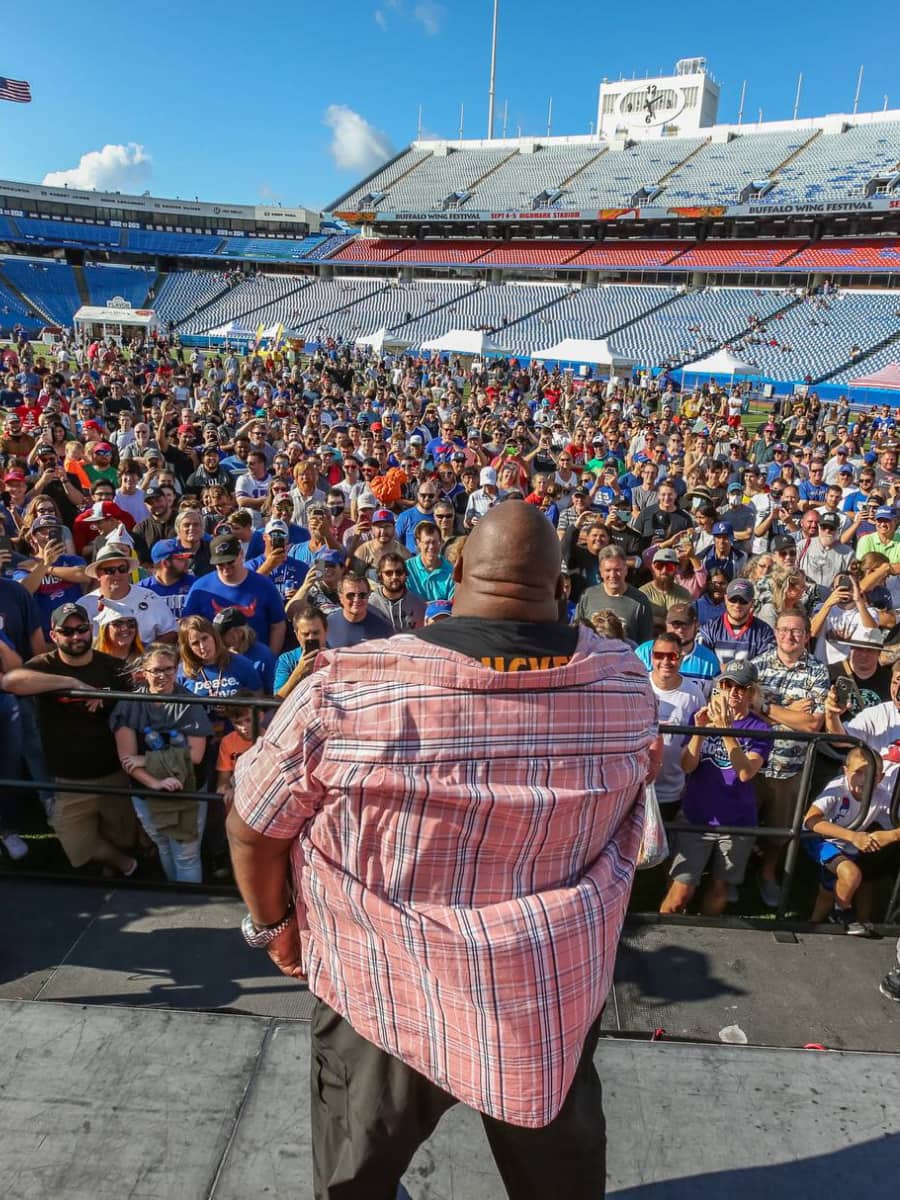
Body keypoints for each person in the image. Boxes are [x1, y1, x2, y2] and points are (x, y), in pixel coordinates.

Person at [227, 502, 656, 1198]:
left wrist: (277, 931)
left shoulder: (347, 687)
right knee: (560, 1185)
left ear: (452, 575)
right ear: (561, 586)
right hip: (542, 991)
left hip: (377, 988)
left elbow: (251, 827)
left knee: (354, 1182)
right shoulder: (624, 686)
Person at [1, 601, 138, 876]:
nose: (76, 636)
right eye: (67, 631)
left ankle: (115, 868)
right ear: (54, 635)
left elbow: (141, 696)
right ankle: (123, 864)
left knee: (127, 838)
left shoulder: (111, 666)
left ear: (91, 630)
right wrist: (72, 683)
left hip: (114, 774)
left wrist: (105, 695)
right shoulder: (44, 665)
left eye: (82, 629)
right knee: (77, 848)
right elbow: (11, 681)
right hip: (67, 781)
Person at [660, 660, 771, 916]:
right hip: (697, 816)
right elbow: (687, 766)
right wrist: (699, 731)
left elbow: (745, 772)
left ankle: (709, 941)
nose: (733, 692)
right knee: (679, 894)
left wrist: (725, 731)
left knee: (720, 889)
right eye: (727, 685)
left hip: (737, 822)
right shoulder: (700, 716)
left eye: (741, 687)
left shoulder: (761, 728)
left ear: (751, 692)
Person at [110, 643, 213, 884]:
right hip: (145, 791)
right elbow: (127, 759)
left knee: (185, 854)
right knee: (164, 846)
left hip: (186, 787)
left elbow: (195, 756)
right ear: (143, 672)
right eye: (156, 670)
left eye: (169, 669)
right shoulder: (128, 703)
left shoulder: (189, 702)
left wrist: (146, 759)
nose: (162, 676)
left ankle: (190, 909)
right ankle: (177, 901)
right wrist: (155, 783)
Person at [751, 607, 830, 908]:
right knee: (743, 827)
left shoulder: (818, 671)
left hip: (791, 768)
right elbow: (744, 712)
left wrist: (767, 708)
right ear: (775, 632)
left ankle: (767, 874)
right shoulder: (756, 667)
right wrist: (791, 711)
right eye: (784, 629)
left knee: (780, 833)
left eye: (796, 630)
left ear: (807, 635)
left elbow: (813, 724)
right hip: (753, 763)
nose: (789, 636)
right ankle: (731, 877)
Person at [803, 748, 900, 935]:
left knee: (827, 891)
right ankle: (842, 911)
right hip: (820, 840)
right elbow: (811, 820)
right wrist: (853, 836)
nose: (864, 779)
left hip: (846, 847)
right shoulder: (837, 788)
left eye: (872, 774)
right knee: (851, 874)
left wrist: (891, 835)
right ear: (845, 770)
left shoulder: (881, 797)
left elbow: (893, 825)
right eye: (859, 772)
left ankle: (811, 927)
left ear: (881, 777)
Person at [183, 533, 286, 655]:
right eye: (220, 564)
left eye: (230, 562)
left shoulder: (263, 584)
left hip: (257, 659)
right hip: (216, 661)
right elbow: (188, 628)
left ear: (241, 554)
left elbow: (278, 624)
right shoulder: (200, 588)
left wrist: (271, 657)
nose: (226, 568)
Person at [646, 631, 705, 819]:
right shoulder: (638, 685)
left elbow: (697, 744)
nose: (665, 662)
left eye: (672, 656)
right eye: (659, 655)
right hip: (638, 788)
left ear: (681, 658)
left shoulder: (694, 694)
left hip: (673, 792)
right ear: (651, 657)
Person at [81, 542, 178, 645]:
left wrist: (146, 654)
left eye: (122, 569)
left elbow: (170, 632)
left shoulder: (150, 598)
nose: (117, 574)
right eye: (110, 570)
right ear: (98, 574)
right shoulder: (84, 605)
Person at [575, 545, 653, 644]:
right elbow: (577, 632)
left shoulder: (640, 601)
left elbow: (645, 643)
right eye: (608, 570)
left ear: (626, 569)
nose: (613, 575)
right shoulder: (587, 596)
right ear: (601, 571)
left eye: (617, 570)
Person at [698, 577, 775, 665]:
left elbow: (767, 666)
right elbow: (700, 661)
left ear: (752, 603)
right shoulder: (709, 629)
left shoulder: (764, 632)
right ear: (726, 599)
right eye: (733, 599)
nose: (737, 605)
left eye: (743, 601)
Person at [274, 603, 329, 697]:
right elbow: (277, 699)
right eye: (306, 634)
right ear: (297, 634)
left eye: (316, 633)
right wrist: (299, 671)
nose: (311, 638)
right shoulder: (286, 660)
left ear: (326, 631)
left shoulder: (337, 657)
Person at [325, 573, 393, 649]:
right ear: (340, 597)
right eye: (350, 595)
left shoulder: (384, 628)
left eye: (362, 595)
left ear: (368, 595)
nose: (356, 600)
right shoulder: (327, 625)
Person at [367, 552, 426, 632]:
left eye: (399, 572)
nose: (394, 577)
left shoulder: (419, 605)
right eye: (389, 573)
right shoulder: (369, 605)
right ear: (380, 575)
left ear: (406, 574)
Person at [138, 538, 196, 619]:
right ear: (165, 563)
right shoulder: (142, 589)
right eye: (181, 558)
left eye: (187, 558)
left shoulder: (195, 585)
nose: (187, 562)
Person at [404, 520, 455, 602]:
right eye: (427, 542)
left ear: (441, 542)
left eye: (434, 542)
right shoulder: (407, 568)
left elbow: (452, 604)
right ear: (418, 543)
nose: (431, 547)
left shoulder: (450, 571)